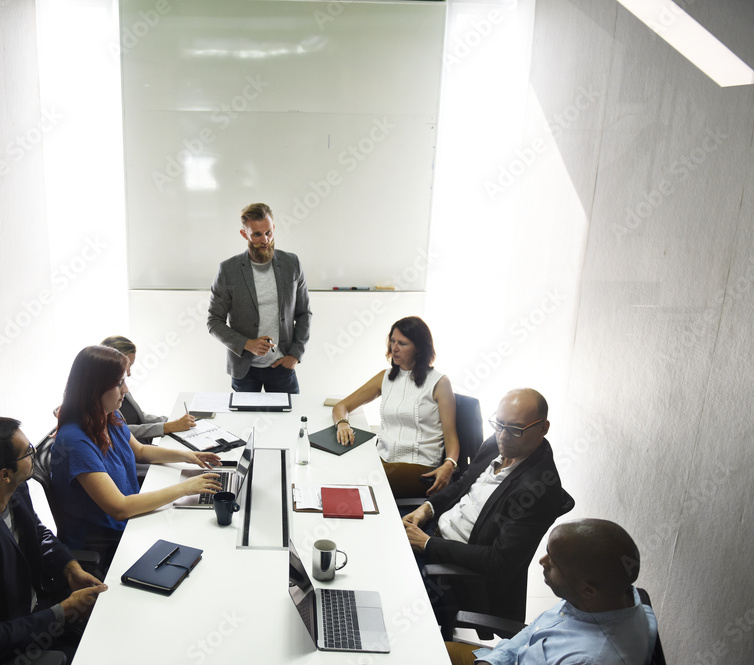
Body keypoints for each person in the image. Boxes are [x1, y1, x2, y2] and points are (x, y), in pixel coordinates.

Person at [0, 416, 107, 665]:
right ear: (4, 474)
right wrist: (63, 611)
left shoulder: (13, 488)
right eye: (28, 452)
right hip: (14, 644)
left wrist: (70, 569)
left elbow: (37, 532)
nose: (33, 454)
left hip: (37, 610)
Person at [402, 388, 571, 637]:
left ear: (543, 428)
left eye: (515, 429)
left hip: (454, 569)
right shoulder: (497, 443)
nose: (503, 436)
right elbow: (463, 484)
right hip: (432, 532)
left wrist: (427, 544)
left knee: (394, 592)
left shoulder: (538, 491)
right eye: (499, 424)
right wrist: (426, 510)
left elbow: (498, 562)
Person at [50, 346, 223, 576]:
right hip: (110, 539)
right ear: (96, 387)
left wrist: (189, 456)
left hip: (131, 520)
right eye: (119, 383)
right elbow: (120, 508)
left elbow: (140, 451)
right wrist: (185, 488)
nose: (126, 389)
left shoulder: (110, 414)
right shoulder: (75, 442)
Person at [444, 519, 658, 665]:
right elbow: (536, 629)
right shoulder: (604, 597)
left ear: (588, 590)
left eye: (553, 563)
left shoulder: (591, 658)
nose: (542, 561)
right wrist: (494, 660)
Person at [331, 316, 460, 498]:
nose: (394, 348)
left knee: (354, 484)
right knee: (337, 468)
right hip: (384, 458)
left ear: (419, 348)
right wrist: (343, 423)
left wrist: (449, 465)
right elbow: (341, 406)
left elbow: (452, 438)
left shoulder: (439, 382)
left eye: (402, 343)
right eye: (392, 341)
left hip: (420, 466)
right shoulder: (386, 377)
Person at [207, 202, 311, 393]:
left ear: (274, 229)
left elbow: (304, 313)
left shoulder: (292, 263)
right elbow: (214, 322)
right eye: (257, 234)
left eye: (269, 232)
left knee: (289, 420)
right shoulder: (228, 270)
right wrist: (247, 344)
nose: (265, 240)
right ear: (244, 234)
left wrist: (295, 355)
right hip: (244, 369)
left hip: (282, 364)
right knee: (244, 423)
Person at [100, 335, 195, 444]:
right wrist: (166, 427)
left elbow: (138, 416)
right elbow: (120, 431)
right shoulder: (106, 396)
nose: (129, 373)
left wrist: (171, 420)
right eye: (128, 365)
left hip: (143, 447)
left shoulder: (121, 386)